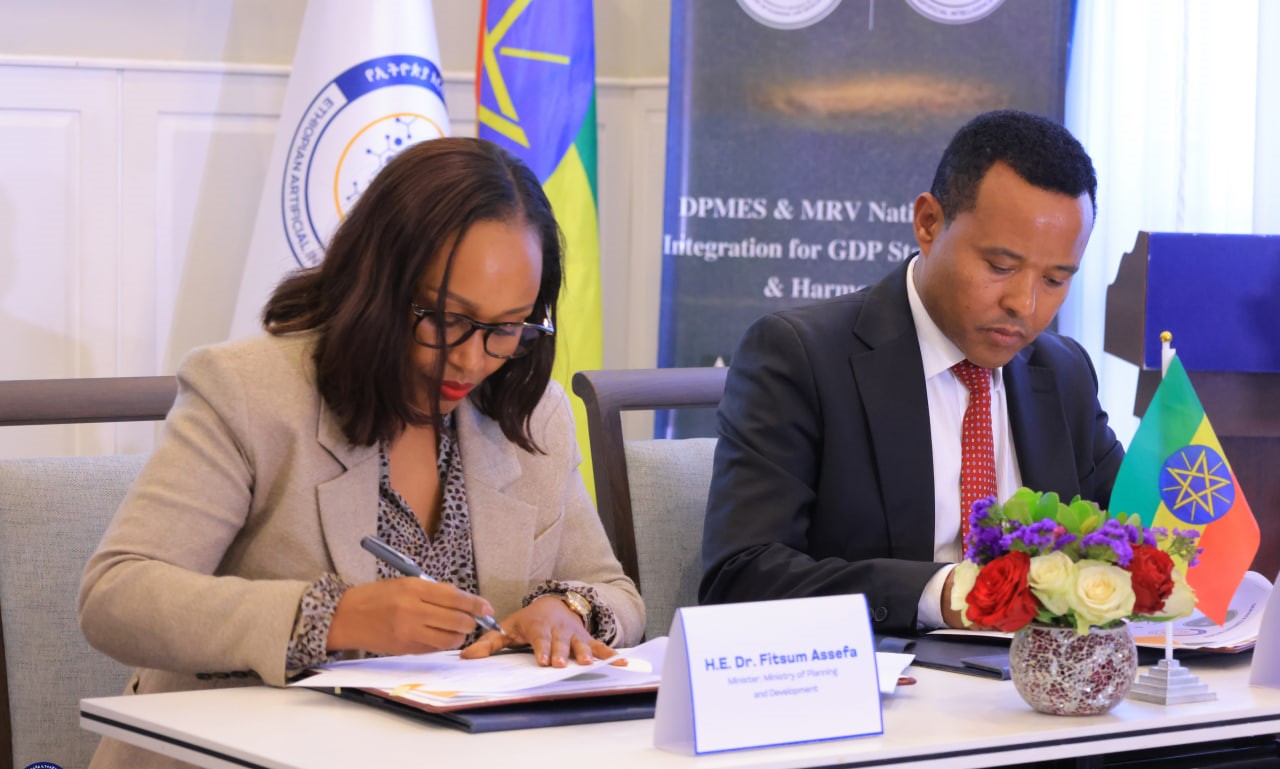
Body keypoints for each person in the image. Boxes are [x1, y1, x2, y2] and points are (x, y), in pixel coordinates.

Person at [79, 137, 644, 768]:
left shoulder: (528, 411)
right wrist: (332, 617)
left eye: (506, 327)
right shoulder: (249, 391)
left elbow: (613, 590)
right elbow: (116, 597)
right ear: (379, 285)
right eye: (446, 319)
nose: (471, 359)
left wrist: (567, 610)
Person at [699, 110, 1124, 634]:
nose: (1025, 303)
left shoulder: (1064, 374)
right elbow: (740, 578)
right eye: (1000, 267)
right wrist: (940, 594)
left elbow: (1135, 539)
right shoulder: (801, 357)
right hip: (885, 675)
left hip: (1041, 678)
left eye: (1056, 280)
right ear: (928, 223)